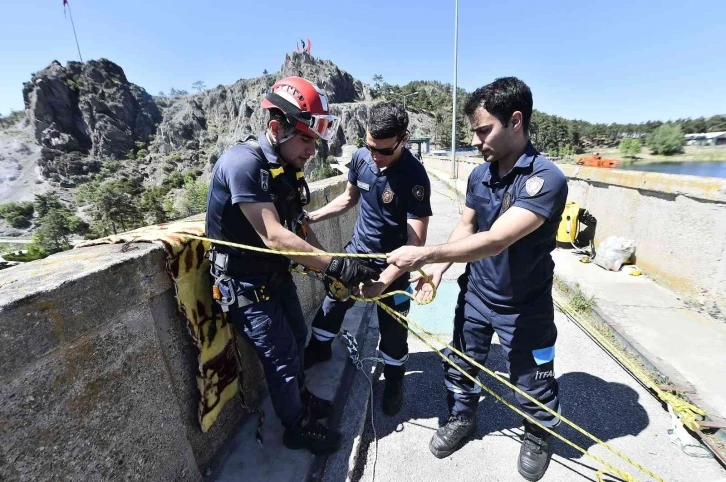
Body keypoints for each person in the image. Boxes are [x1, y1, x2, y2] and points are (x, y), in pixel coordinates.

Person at [387, 77, 568, 481]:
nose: (475, 139)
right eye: (473, 130)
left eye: (483, 129)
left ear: (516, 121)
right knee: (462, 363)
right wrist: (436, 271)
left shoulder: (545, 179)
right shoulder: (480, 175)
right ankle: (463, 417)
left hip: (526, 304)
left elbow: (497, 239)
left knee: (533, 380)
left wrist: (423, 253)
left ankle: (538, 432)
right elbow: (468, 226)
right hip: (477, 295)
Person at [205, 76, 378, 454]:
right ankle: (296, 426)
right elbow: (274, 236)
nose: (313, 150)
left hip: (272, 276)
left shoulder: (286, 169)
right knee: (282, 357)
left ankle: (299, 400)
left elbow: (297, 226)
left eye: (315, 141)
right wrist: (335, 267)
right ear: (275, 128)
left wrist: (331, 269)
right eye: (306, 139)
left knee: (297, 338)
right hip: (245, 285)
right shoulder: (243, 163)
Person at [303, 101, 432, 416]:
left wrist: (384, 281)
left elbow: (416, 241)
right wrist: (311, 217)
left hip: (394, 265)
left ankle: (394, 382)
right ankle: (318, 350)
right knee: (332, 305)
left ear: (404, 139)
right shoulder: (361, 159)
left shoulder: (414, 178)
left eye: (384, 151)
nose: (375, 156)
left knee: (393, 330)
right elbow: (349, 198)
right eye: (370, 146)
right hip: (355, 255)